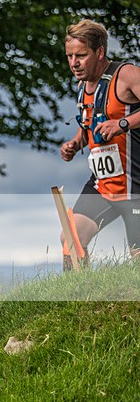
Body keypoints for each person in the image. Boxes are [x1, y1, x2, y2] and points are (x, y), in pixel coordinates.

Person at [60, 19, 140, 269]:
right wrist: (76, 141)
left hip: (136, 185)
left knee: (137, 259)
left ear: (100, 52)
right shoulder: (84, 85)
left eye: (81, 55)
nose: (74, 63)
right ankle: (78, 302)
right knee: (71, 239)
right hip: (104, 183)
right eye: (70, 56)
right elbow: (90, 123)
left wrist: (123, 124)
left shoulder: (127, 75)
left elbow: (116, 123)